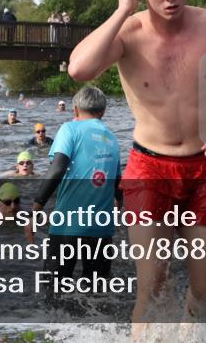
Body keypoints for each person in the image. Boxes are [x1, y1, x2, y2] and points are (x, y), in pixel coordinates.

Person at [68, 0, 206, 330]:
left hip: (205, 167)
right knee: (151, 288)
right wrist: (123, 9)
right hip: (149, 167)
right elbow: (79, 69)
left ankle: (187, 330)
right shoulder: (129, 32)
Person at [26, 85, 121, 299]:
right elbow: (118, 186)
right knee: (97, 297)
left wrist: (36, 207)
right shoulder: (113, 139)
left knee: (54, 292)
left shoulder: (69, 129)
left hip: (68, 225)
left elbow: (57, 168)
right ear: (103, 112)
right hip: (102, 230)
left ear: (75, 110)